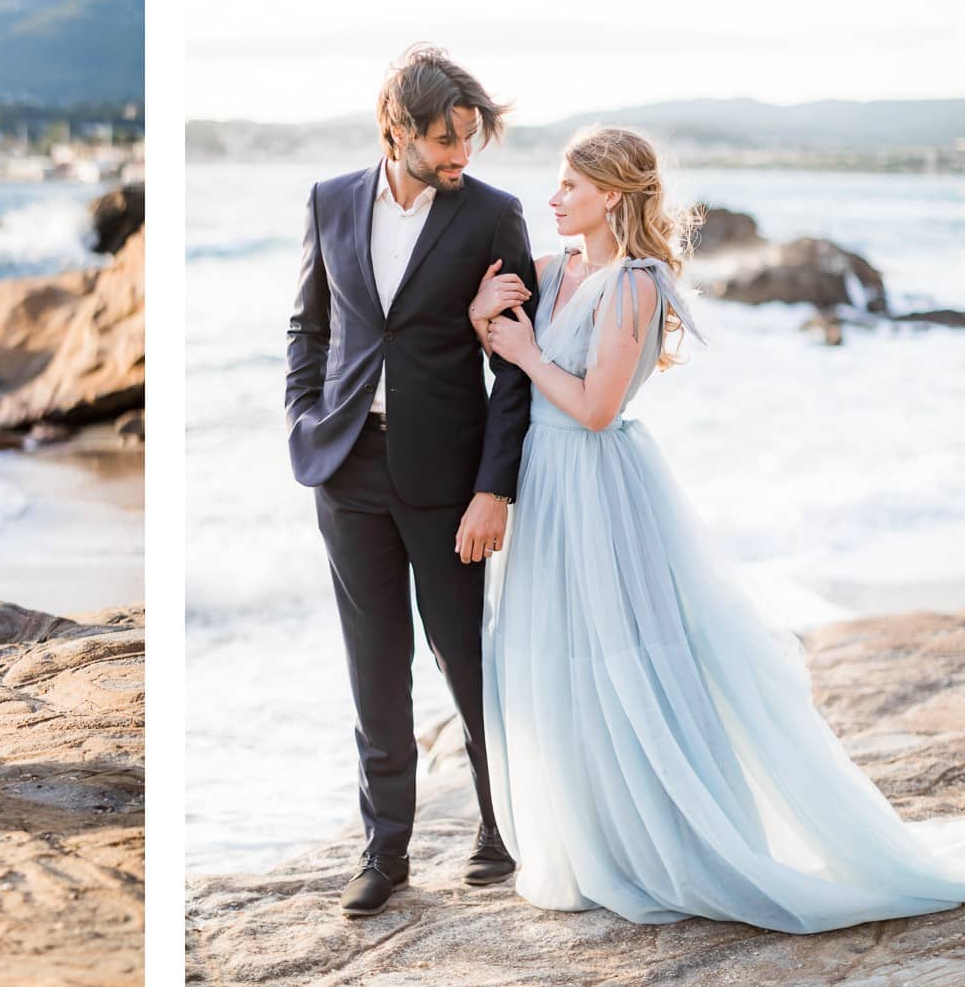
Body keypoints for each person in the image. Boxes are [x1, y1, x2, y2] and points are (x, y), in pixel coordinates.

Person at [472, 126, 965, 932]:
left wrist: (524, 351)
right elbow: (506, 359)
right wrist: (481, 317)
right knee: (555, 660)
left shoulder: (636, 282)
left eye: (569, 185)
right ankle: (593, 842)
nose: (553, 197)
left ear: (613, 193)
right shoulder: (553, 269)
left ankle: (672, 845)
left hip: (599, 489)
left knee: (624, 660)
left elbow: (596, 408)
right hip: (546, 489)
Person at [284, 45, 539, 917]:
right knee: (374, 667)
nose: (461, 154)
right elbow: (308, 328)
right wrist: (302, 418)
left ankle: (501, 828)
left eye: (469, 137)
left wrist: (494, 488)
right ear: (395, 130)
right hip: (347, 466)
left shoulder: (495, 217)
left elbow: (515, 368)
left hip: (450, 479)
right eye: (444, 139)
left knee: (466, 660)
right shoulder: (329, 201)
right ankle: (384, 852)